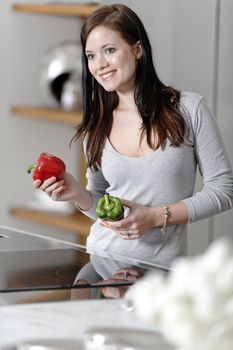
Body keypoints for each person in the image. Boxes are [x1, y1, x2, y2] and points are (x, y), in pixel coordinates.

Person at [34, 4, 233, 270]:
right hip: (100, 264)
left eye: (110, 50)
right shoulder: (96, 126)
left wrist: (155, 217)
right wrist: (77, 193)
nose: (99, 64)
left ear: (137, 50)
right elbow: (103, 207)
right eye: (91, 56)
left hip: (161, 272)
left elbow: (224, 190)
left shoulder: (188, 109)